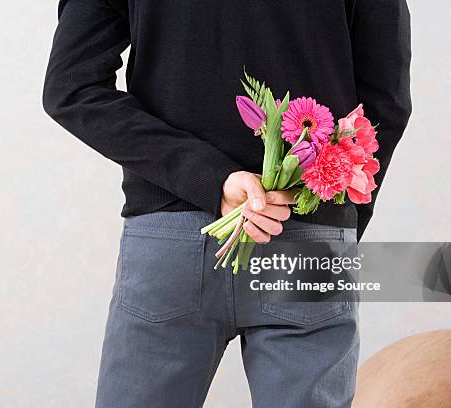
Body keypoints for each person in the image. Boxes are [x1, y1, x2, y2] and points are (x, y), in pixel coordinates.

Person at [43, 1, 412, 406]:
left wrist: (209, 179)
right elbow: (385, 101)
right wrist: (331, 220)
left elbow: (73, 88)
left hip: (172, 241)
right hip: (305, 240)